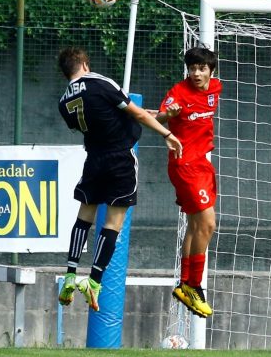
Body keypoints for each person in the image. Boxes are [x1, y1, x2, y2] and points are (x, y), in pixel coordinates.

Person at [56, 47, 182, 311]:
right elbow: (134, 113)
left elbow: (108, 116)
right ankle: (94, 281)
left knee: (84, 216)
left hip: (94, 159)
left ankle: (70, 273)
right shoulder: (100, 82)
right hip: (120, 159)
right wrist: (166, 134)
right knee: (113, 223)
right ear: (85, 64)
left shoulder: (64, 102)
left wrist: (153, 114)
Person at [151, 46, 222, 318]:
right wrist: (169, 114)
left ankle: (185, 285)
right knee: (208, 223)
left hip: (203, 164)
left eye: (201, 68)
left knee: (196, 226)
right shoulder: (177, 93)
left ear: (210, 71)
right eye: (192, 68)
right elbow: (159, 117)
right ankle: (193, 285)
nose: (196, 73)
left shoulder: (215, 88)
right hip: (185, 165)